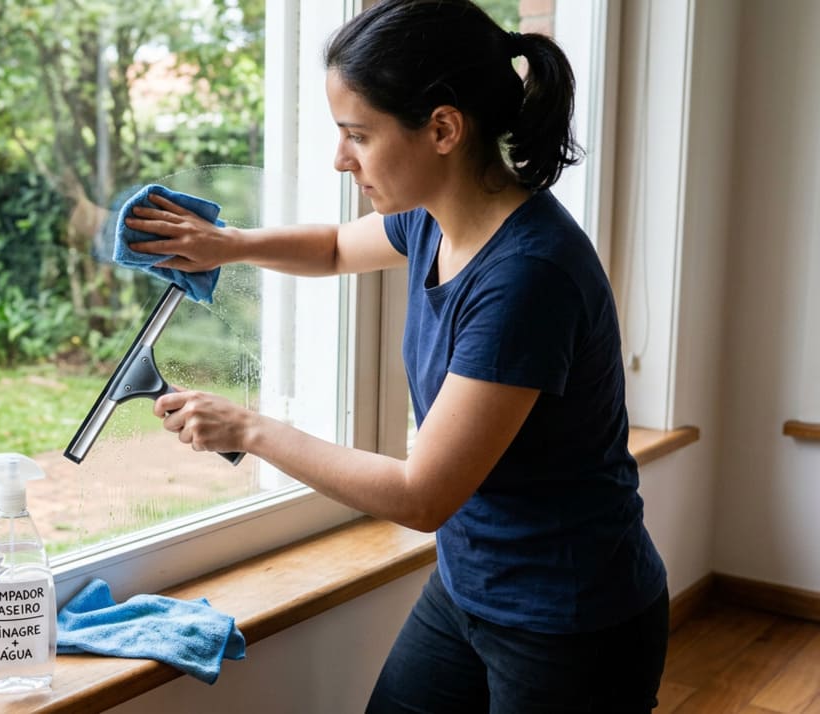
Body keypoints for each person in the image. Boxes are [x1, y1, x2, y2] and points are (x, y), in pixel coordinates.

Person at [121, 0, 669, 711]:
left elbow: (423, 495)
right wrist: (232, 244)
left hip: (571, 620)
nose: (339, 157)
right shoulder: (436, 217)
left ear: (442, 128)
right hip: (471, 585)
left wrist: (250, 430)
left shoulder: (527, 279)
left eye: (357, 135)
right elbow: (334, 247)